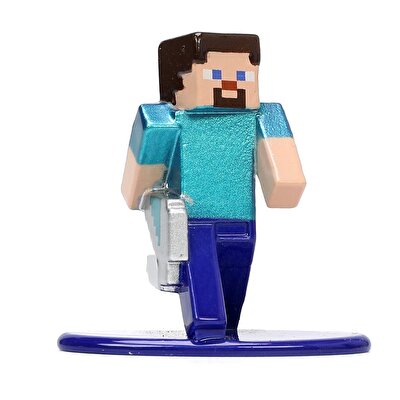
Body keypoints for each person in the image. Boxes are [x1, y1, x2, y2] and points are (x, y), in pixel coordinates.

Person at [122, 32, 306, 342]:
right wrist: (140, 194)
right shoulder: (168, 119)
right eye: (216, 74)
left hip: (242, 219)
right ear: (180, 82)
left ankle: (228, 330)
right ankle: (207, 329)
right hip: (193, 221)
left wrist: (285, 181)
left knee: (236, 275)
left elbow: (281, 164)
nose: (231, 84)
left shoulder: (261, 117)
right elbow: (143, 168)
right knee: (203, 281)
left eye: (244, 75)